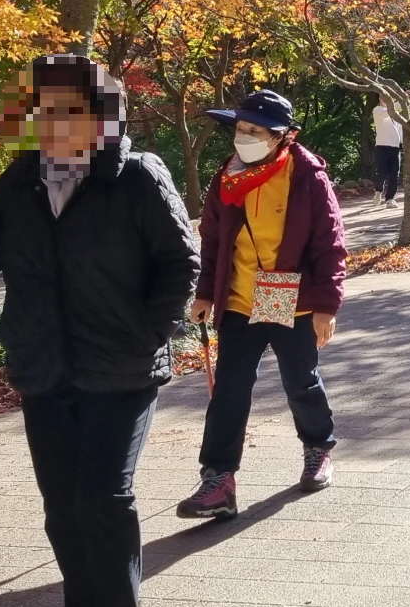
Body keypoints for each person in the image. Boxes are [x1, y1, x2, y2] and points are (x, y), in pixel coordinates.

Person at [0, 55, 196, 607]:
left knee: (103, 498)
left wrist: (148, 330)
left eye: (71, 110)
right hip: (44, 364)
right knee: (62, 504)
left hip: (121, 367)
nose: (55, 123)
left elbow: (181, 261)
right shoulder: (19, 181)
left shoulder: (137, 176)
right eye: (44, 111)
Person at [176, 90, 348, 519]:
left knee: (300, 380)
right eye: (241, 128)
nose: (244, 137)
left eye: (255, 131)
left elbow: (330, 244)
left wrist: (327, 305)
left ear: (280, 137)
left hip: (292, 295)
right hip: (240, 296)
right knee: (230, 391)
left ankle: (317, 448)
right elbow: (213, 239)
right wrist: (204, 293)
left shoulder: (306, 174)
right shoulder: (227, 176)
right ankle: (218, 479)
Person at [371, 99, 403, 205]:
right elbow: (389, 112)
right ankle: (378, 191)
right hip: (382, 147)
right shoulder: (378, 110)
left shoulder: (396, 114)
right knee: (382, 173)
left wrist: (404, 144)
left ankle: (390, 198)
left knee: (395, 174)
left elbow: (400, 130)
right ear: (379, 98)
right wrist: (403, 99)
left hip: (395, 148)